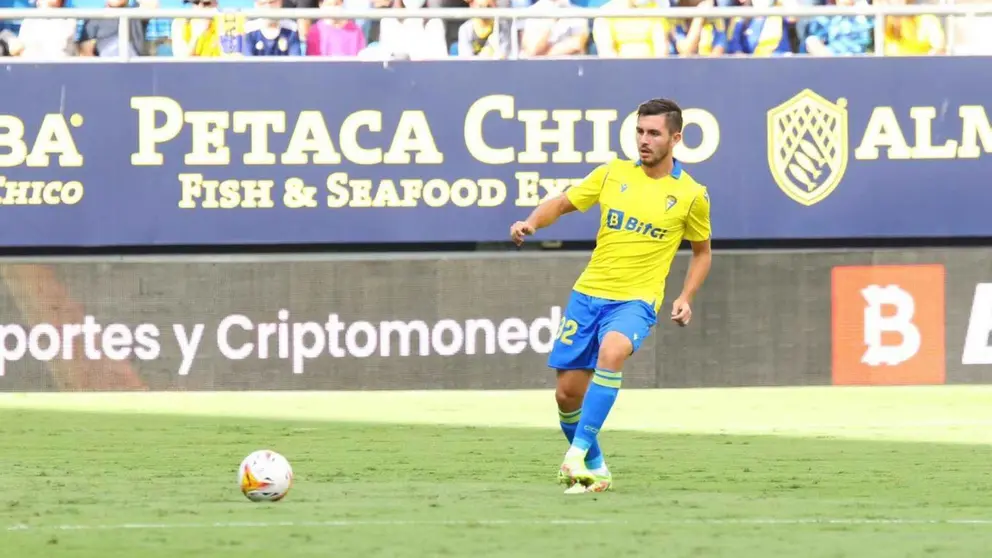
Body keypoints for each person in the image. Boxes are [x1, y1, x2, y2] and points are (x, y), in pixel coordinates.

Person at [508, 98, 713, 495]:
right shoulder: (612, 173)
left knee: (613, 351)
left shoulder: (691, 194)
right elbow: (563, 203)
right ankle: (596, 468)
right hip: (588, 295)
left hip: (636, 300)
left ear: (676, 138)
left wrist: (686, 296)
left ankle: (575, 455)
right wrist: (531, 222)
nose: (644, 140)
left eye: (654, 133)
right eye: (640, 132)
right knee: (567, 395)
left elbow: (702, 252)